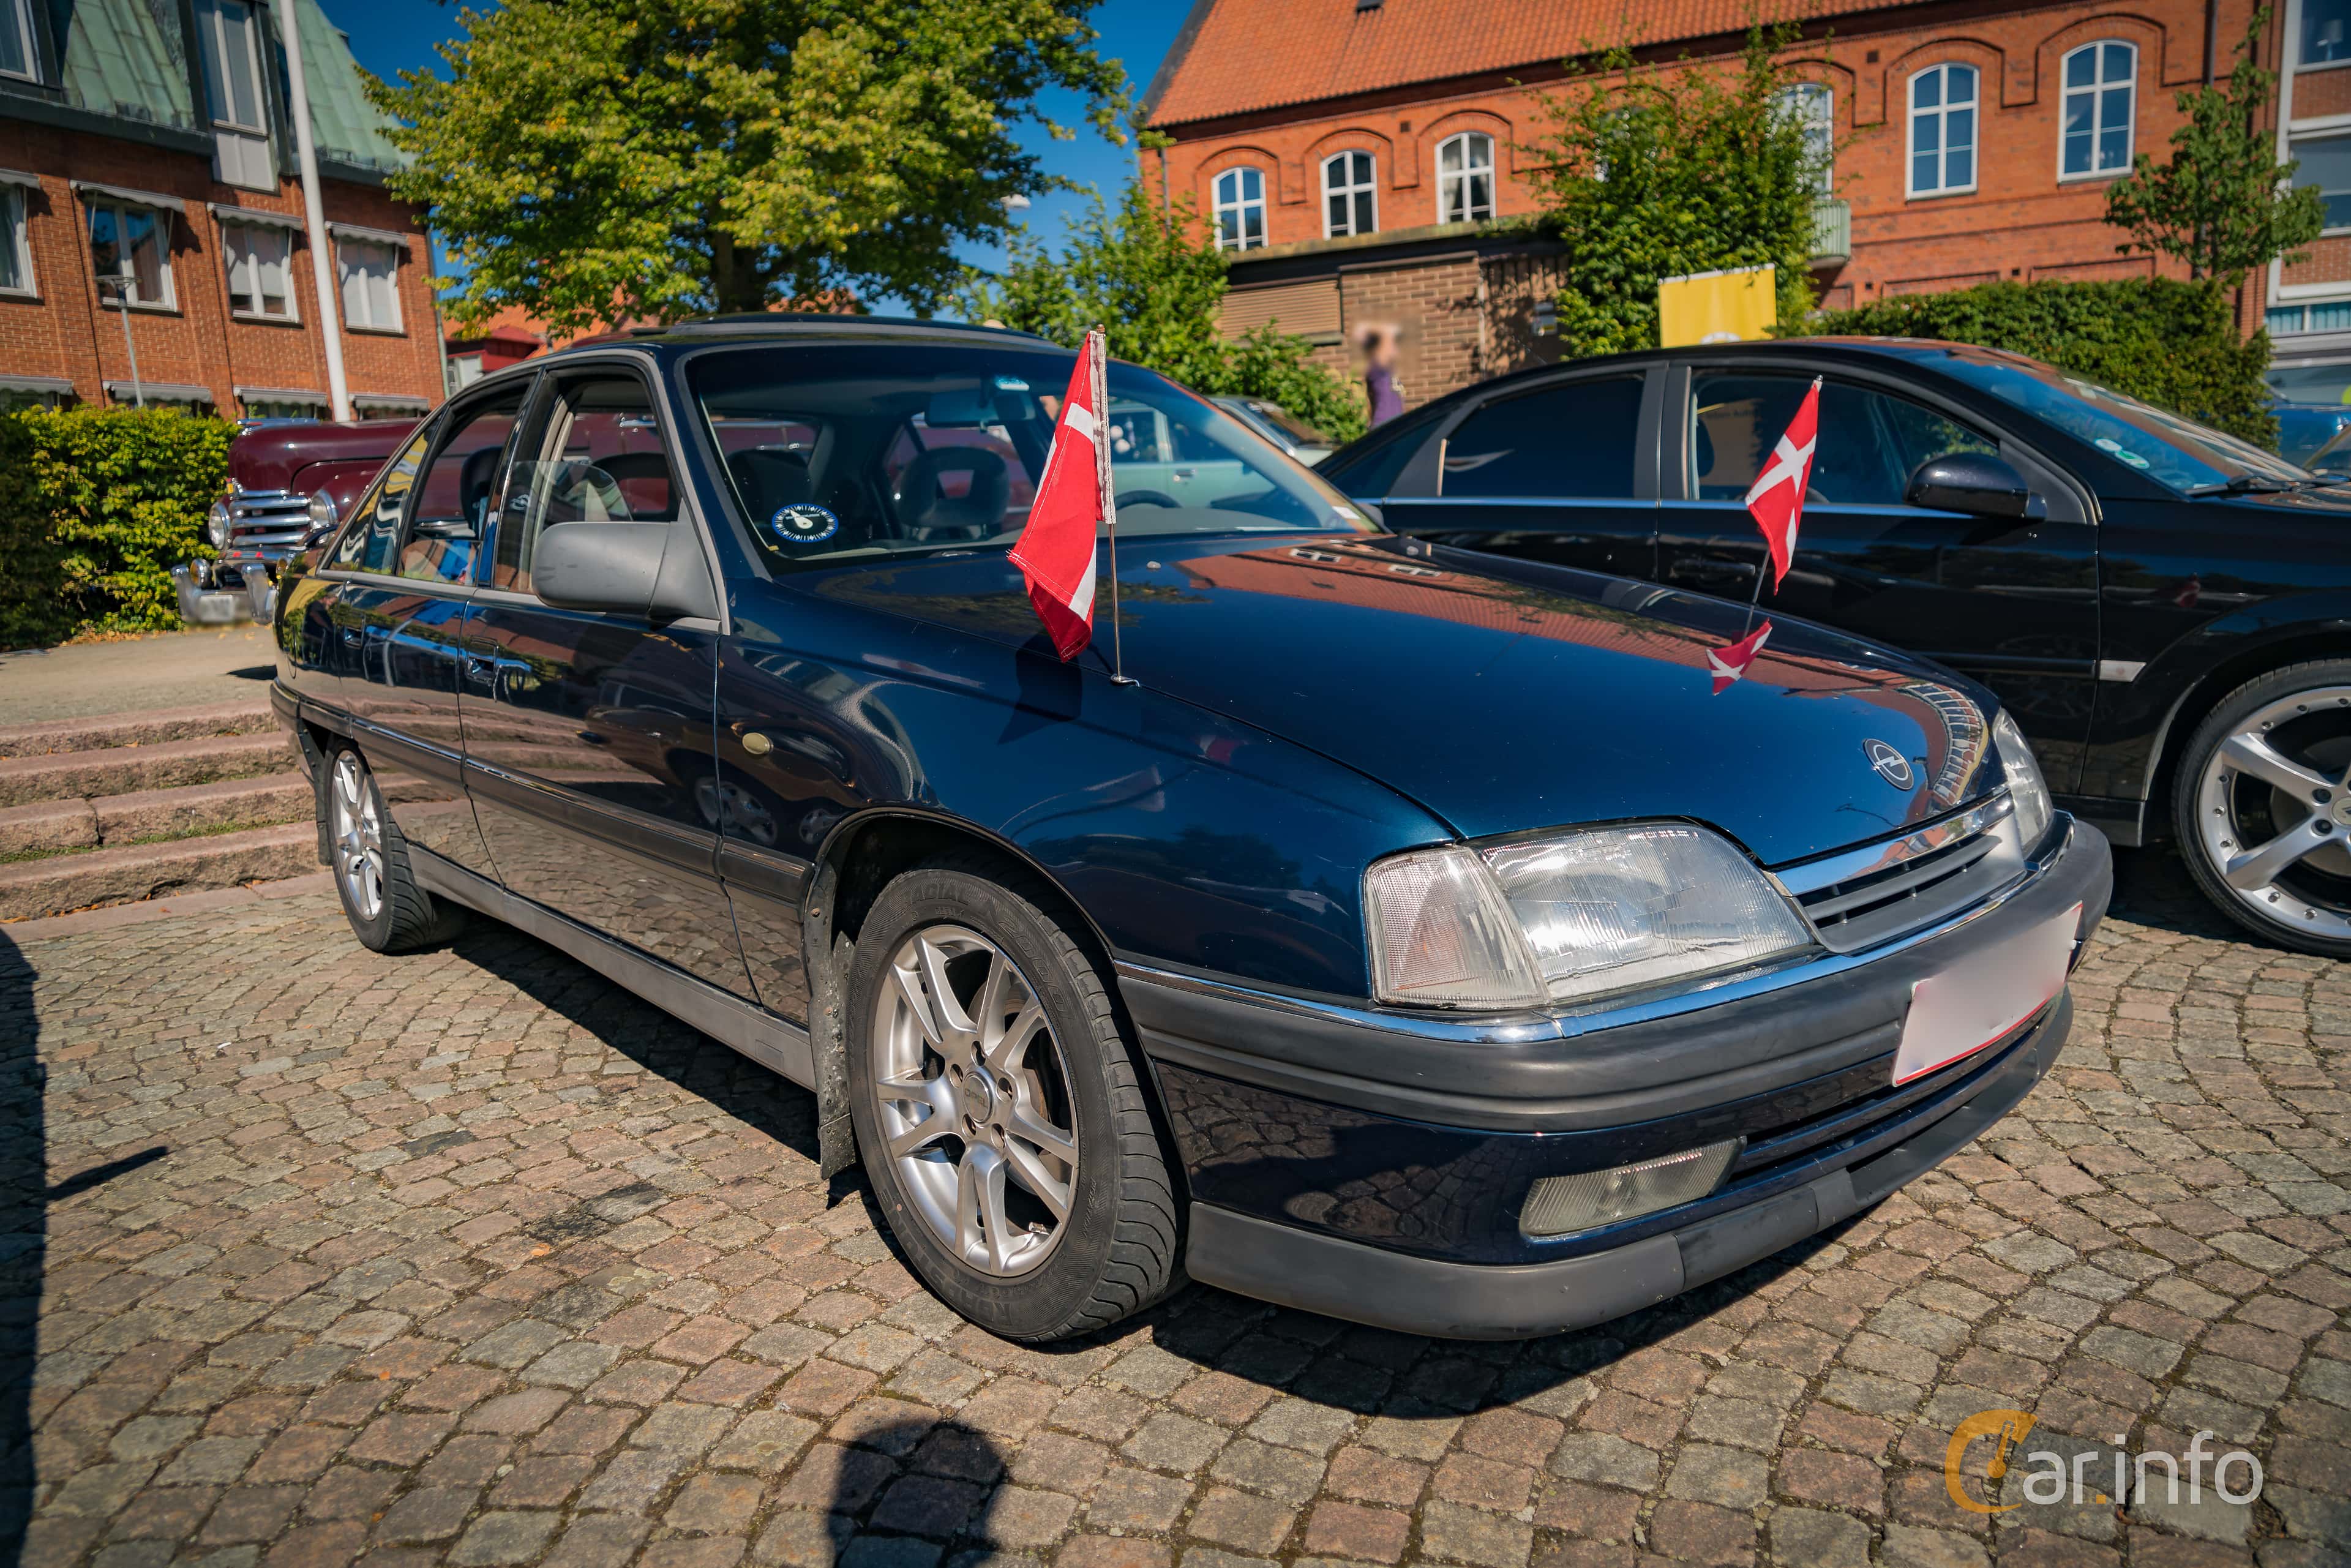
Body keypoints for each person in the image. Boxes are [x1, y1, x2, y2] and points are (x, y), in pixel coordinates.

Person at [1357, 322, 1404, 428]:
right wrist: (1385, 332)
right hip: (1383, 429)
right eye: (1390, 344)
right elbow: (1362, 331)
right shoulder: (1376, 368)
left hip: (1396, 429)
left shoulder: (1390, 370)